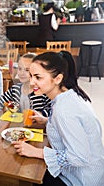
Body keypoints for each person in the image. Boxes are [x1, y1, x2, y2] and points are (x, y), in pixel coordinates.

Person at [12, 51, 104, 186]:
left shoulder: (64, 110)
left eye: (38, 77)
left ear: (58, 79)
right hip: (93, 171)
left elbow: (79, 157)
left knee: (25, 175)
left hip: (81, 179)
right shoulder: (69, 95)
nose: (31, 82)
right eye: (31, 76)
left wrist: (37, 152)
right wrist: (47, 122)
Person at [0, 53, 51, 118]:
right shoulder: (15, 89)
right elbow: (1, 100)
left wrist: (42, 114)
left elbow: (52, 109)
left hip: (36, 126)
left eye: (27, 70)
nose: (22, 73)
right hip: (18, 125)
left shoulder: (43, 91)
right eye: (20, 69)